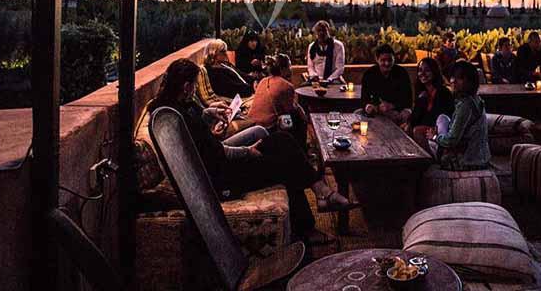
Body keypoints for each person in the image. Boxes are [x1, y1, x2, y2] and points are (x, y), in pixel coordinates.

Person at [149, 58, 357, 240]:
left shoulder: (171, 108)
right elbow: (217, 153)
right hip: (222, 180)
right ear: (186, 86)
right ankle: (318, 203)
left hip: (218, 164)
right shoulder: (178, 118)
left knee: (282, 141)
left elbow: (201, 140)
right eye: (193, 85)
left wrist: (208, 114)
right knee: (286, 162)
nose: (194, 90)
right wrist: (249, 151)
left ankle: (320, 196)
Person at [425, 60, 491, 171]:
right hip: (480, 158)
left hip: (468, 162)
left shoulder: (466, 106)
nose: (453, 81)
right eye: (452, 77)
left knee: (426, 142)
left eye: (459, 78)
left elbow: (452, 140)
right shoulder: (475, 99)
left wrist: (435, 137)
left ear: (470, 82)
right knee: (443, 118)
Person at [246, 54, 308, 148]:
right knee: (298, 120)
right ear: (283, 69)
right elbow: (290, 111)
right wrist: (303, 115)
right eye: (289, 66)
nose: (291, 69)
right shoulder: (286, 86)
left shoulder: (264, 80)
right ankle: (300, 150)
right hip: (268, 127)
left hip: (251, 123)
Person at [407, 57, 455, 151]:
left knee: (417, 131)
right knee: (406, 128)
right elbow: (414, 118)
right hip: (427, 126)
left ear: (434, 72)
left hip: (442, 128)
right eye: (420, 70)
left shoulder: (443, 92)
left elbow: (442, 118)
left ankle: (430, 159)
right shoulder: (422, 93)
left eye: (427, 70)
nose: (423, 74)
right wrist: (421, 101)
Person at [360, 44, 413, 125]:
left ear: (394, 59)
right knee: (357, 114)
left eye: (390, 60)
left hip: (397, 111)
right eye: (383, 60)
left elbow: (408, 100)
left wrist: (392, 106)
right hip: (377, 112)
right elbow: (364, 98)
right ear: (377, 59)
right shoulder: (369, 74)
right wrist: (370, 107)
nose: (387, 63)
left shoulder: (402, 73)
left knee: (406, 114)